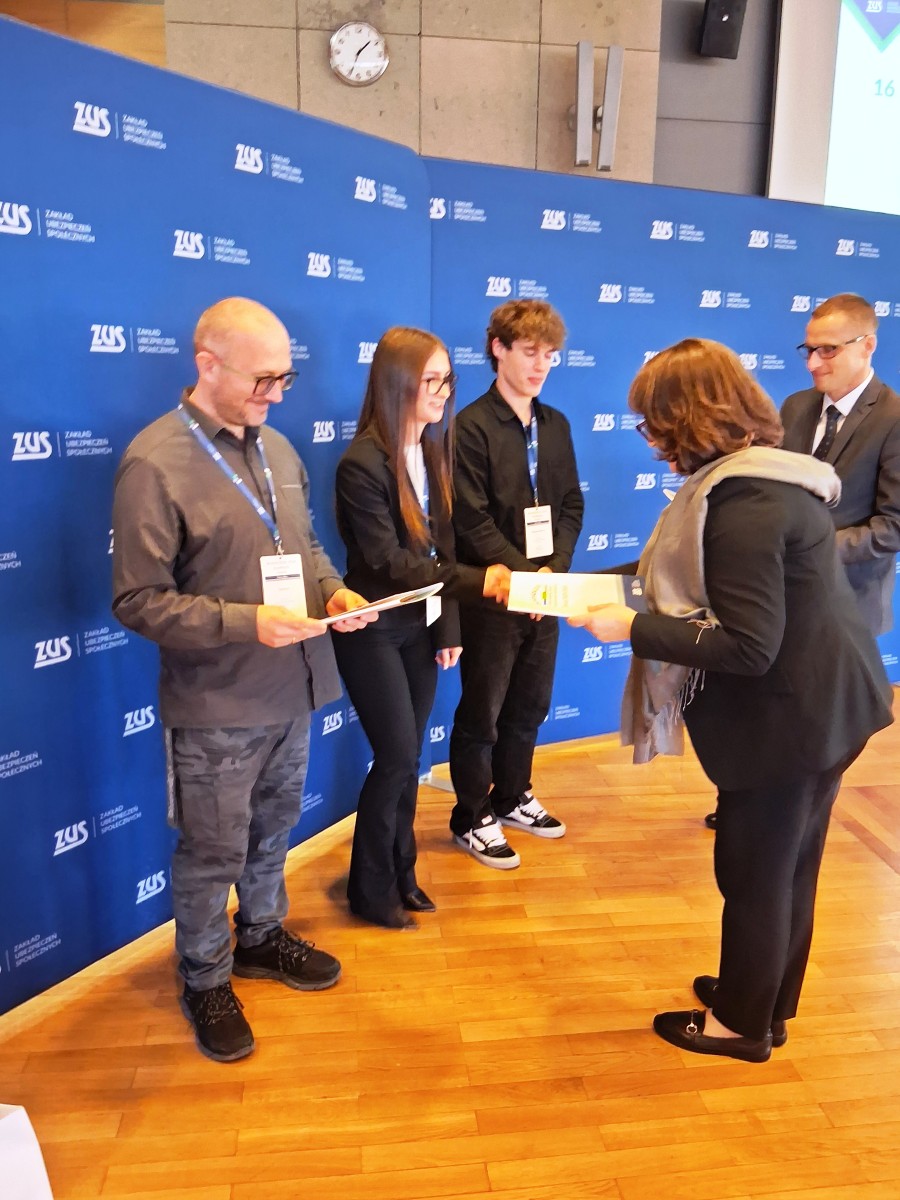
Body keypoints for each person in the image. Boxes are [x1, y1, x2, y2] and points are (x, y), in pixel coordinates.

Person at [571, 338, 893, 1063]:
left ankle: (741, 1027)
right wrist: (577, 588)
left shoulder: (744, 502)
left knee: (755, 873)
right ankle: (764, 999)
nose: (650, 441)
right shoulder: (762, 477)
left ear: (686, 420)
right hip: (827, 703)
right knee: (787, 866)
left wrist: (630, 627)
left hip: (794, 717)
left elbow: (747, 645)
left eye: (653, 424)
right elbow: (680, 574)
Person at [112, 297, 376, 1063]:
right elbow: (138, 600)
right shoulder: (154, 463)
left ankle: (260, 937)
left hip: (294, 689)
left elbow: (307, 549)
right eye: (264, 380)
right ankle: (204, 978)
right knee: (212, 852)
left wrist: (335, 592)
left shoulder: (280, 450)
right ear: (208, 365)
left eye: (285, 378)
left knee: (274, 832)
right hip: (217, 706)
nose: (278, 394)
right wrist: (245, 622)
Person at [333, 327, 511, 929]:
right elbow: (391, 562)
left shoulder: (433, 453)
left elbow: (443, 548)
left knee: (408, 761)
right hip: (373, 629)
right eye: (431, 379)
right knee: (397, 755)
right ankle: (370, 888)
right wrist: (479, 582)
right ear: (397, 382)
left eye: (447, 379)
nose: (444, 391)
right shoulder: (362, 463)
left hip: (421, 624)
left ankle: (402, 873)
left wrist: (448, 628)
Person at [706, 292, 900, 829]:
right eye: (808, 349)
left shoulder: (894, 418)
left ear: (867, 346)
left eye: (828, 350)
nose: (813, 363)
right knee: (767, 710)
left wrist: (808, 548)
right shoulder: (794, 407)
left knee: (823, 738)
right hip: (776, 596)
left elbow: (892, 527)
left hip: (844, 606)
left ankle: (800, 823)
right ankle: (746, 803)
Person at [449, 300, 584, 868]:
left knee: (530, 704)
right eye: (530, 352)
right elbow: (470, 518)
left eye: (550, 354)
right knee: (483, 711)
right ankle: (470, 814)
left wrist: (553, 572)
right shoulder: (471, 427)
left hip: (544, 591)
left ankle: (512, 795)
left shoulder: (556, 425)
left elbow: (571, 504)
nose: (541, 365)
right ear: (498, 349)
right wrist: (527, 579)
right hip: (495, 595)